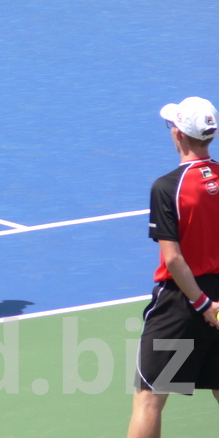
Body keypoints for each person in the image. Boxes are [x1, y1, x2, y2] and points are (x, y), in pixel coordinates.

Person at [128, 97, 219, 438]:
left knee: (149, 399)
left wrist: (203, 305)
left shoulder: (167, 188)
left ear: (179, 135)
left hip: (182, 303)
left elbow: (174, 259)